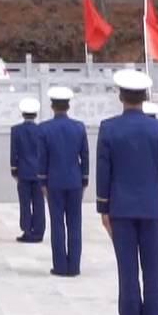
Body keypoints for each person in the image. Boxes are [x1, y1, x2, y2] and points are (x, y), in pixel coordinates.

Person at [98, 70, 158, 315]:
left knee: (128, 272)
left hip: (121, 210)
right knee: (153, 272)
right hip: (153, 210)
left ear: (121, 96)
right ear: (144, 97)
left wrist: (103, 208)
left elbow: (104, 172)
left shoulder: (109, 128)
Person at [40, 86, 88, 276]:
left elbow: (42, 158)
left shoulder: (45, 128)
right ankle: (74, 265)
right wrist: (84, 180)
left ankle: (60, 265)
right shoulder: (79, 127)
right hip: (74, 181)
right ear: (68, 106)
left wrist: (43, 182)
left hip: (54, 181)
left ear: (52, 106)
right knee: (75, 224)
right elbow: (85, 156)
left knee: (57, 224)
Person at [10, 97, 47, 244]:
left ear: (22, 113)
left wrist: (14, 170)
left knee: (25, 202)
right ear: (36, 114)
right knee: (39, 202)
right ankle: (38, 231)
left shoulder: (16, 130)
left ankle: (26, 230)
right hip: (39, 171)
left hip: (23, 171)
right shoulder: (41, 130)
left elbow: (14, 152)